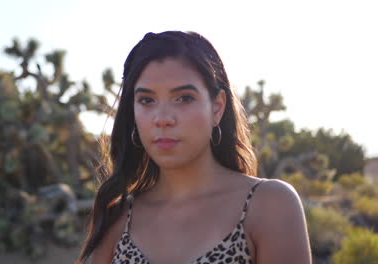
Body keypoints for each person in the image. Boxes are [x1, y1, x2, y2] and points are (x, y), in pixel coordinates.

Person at [76, 31, 311, 264]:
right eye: (147, 100)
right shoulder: (118, 218)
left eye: (184, 98)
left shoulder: (268, 205)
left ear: (217, 107)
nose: (162, 118)